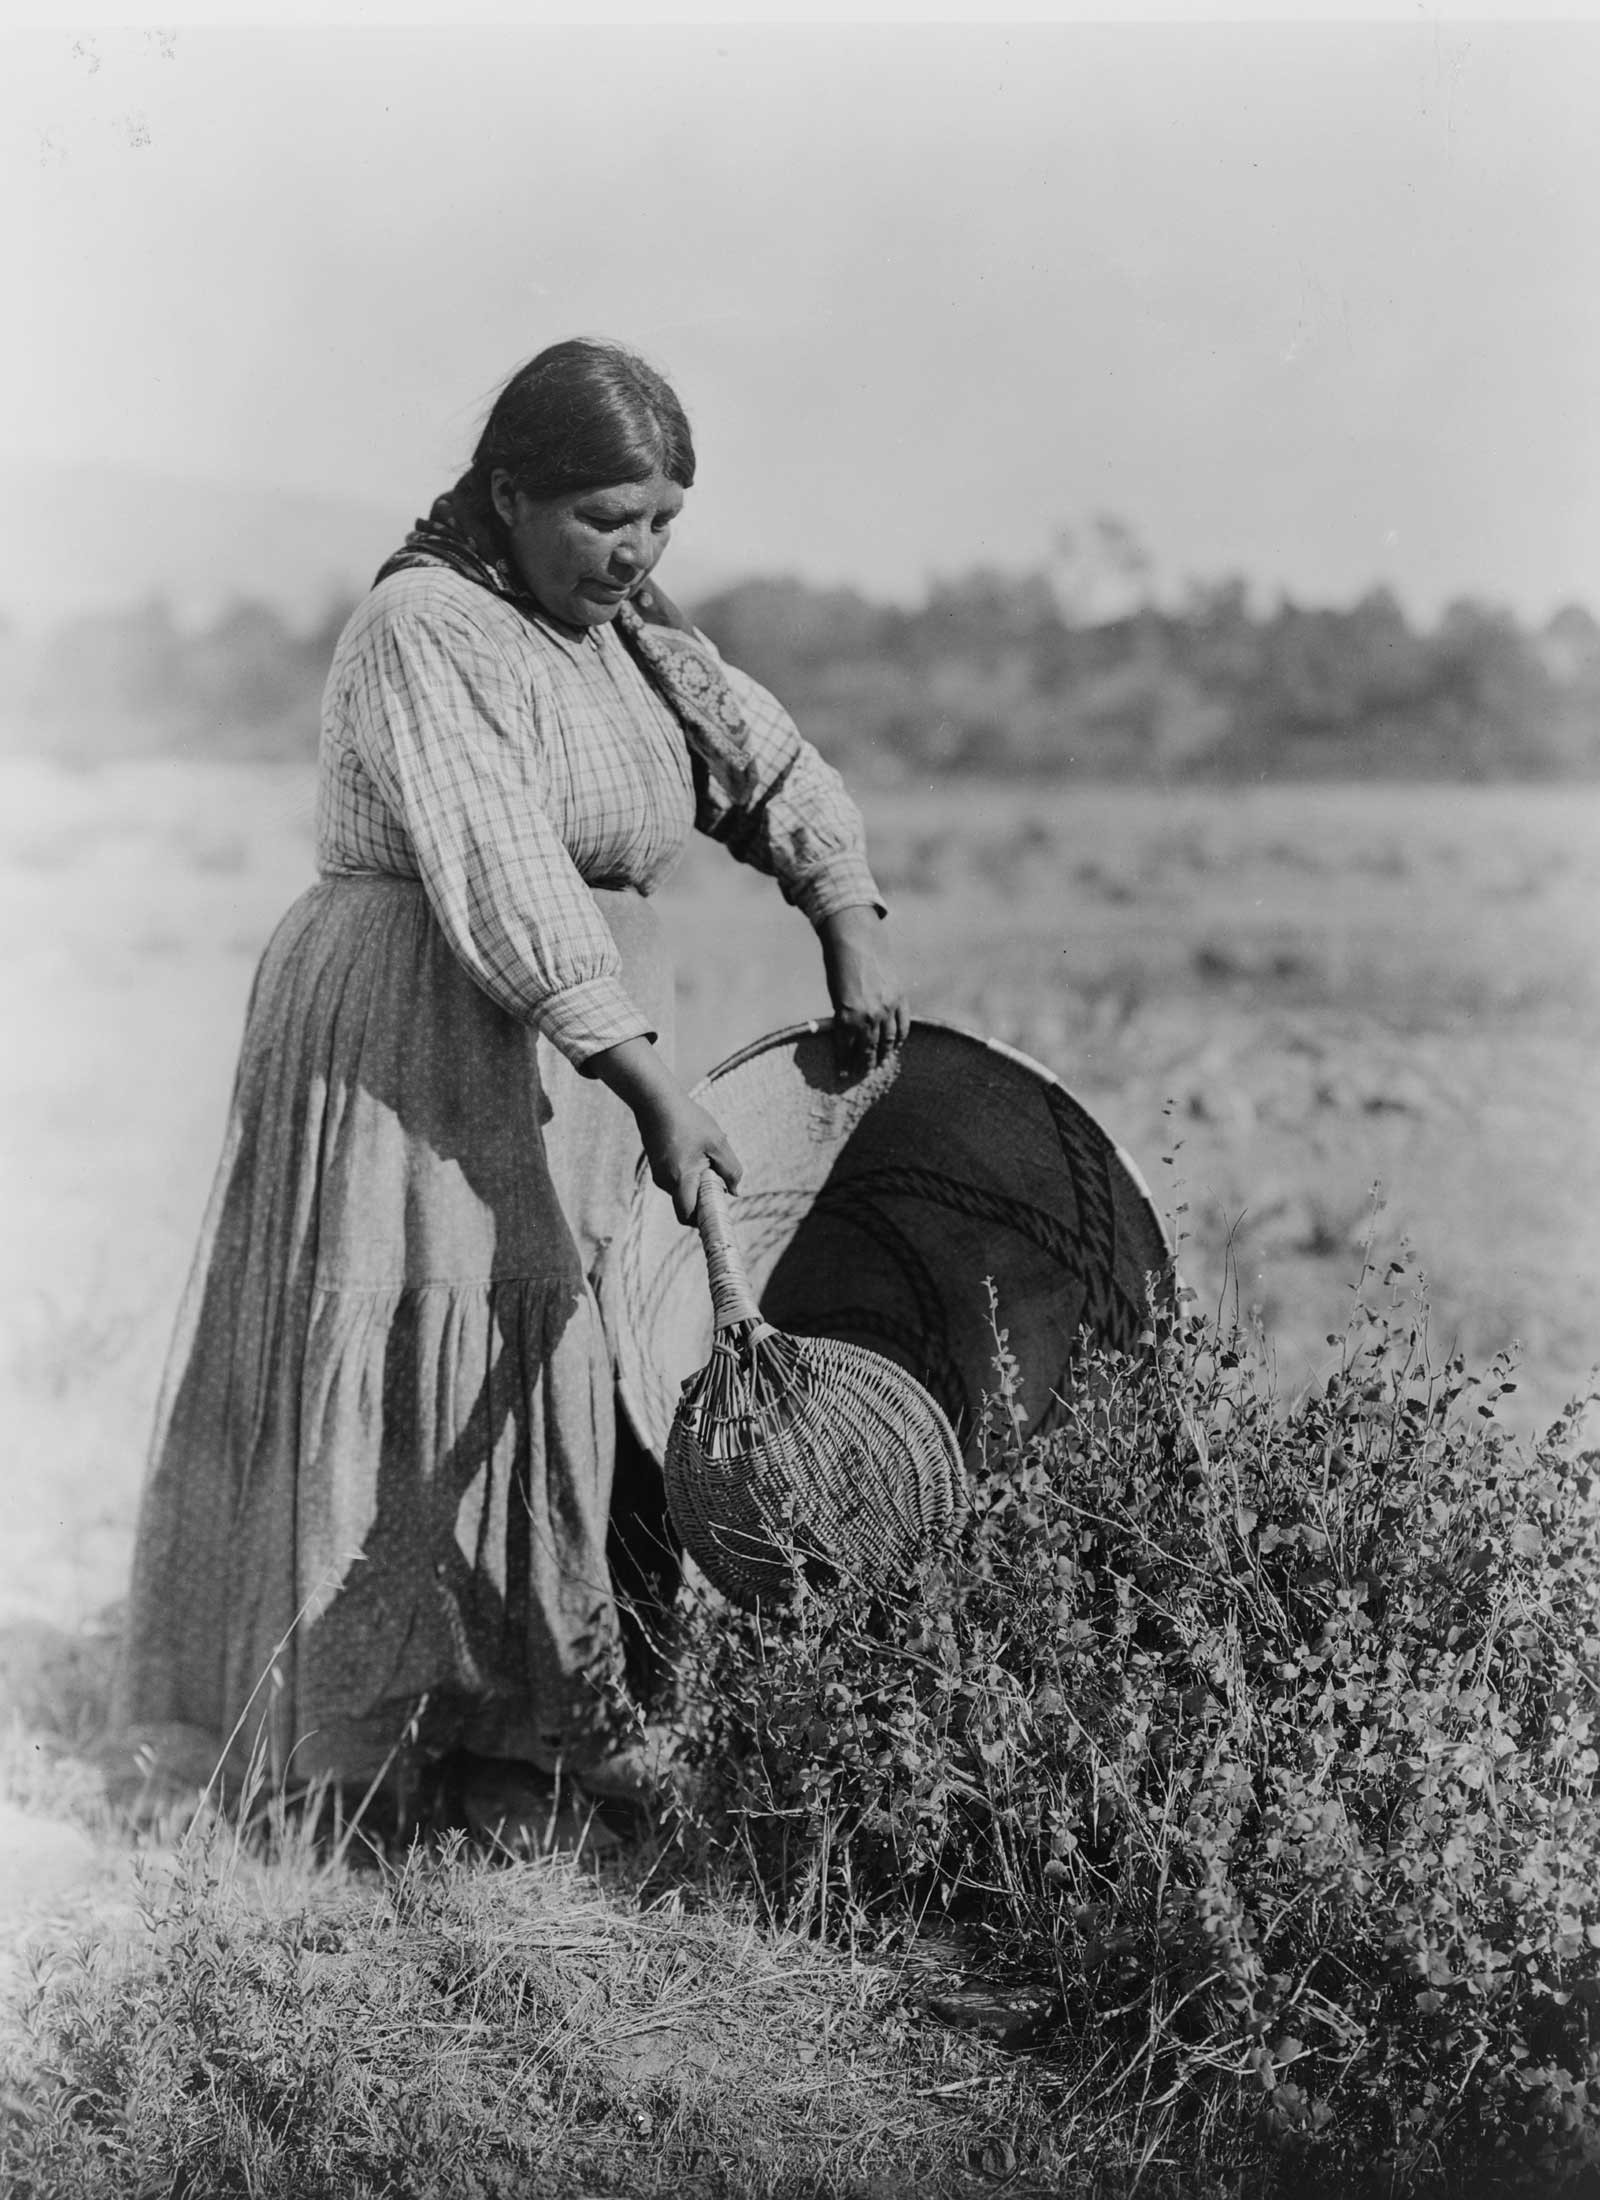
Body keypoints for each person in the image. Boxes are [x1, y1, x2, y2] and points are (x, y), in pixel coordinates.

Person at [112, 338, 905, 1827]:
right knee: (427, 1327)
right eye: (606, 518)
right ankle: (362, 1756)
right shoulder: (427, 624)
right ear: (509, 496)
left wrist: (844, 914)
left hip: (573, 1037)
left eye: (663, 520)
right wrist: (650, 1081)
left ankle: (519, 1728)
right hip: (422, 1018)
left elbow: (765, 762)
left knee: (553, 1350)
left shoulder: (628, 636)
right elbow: (505, 867)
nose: (638, 552)